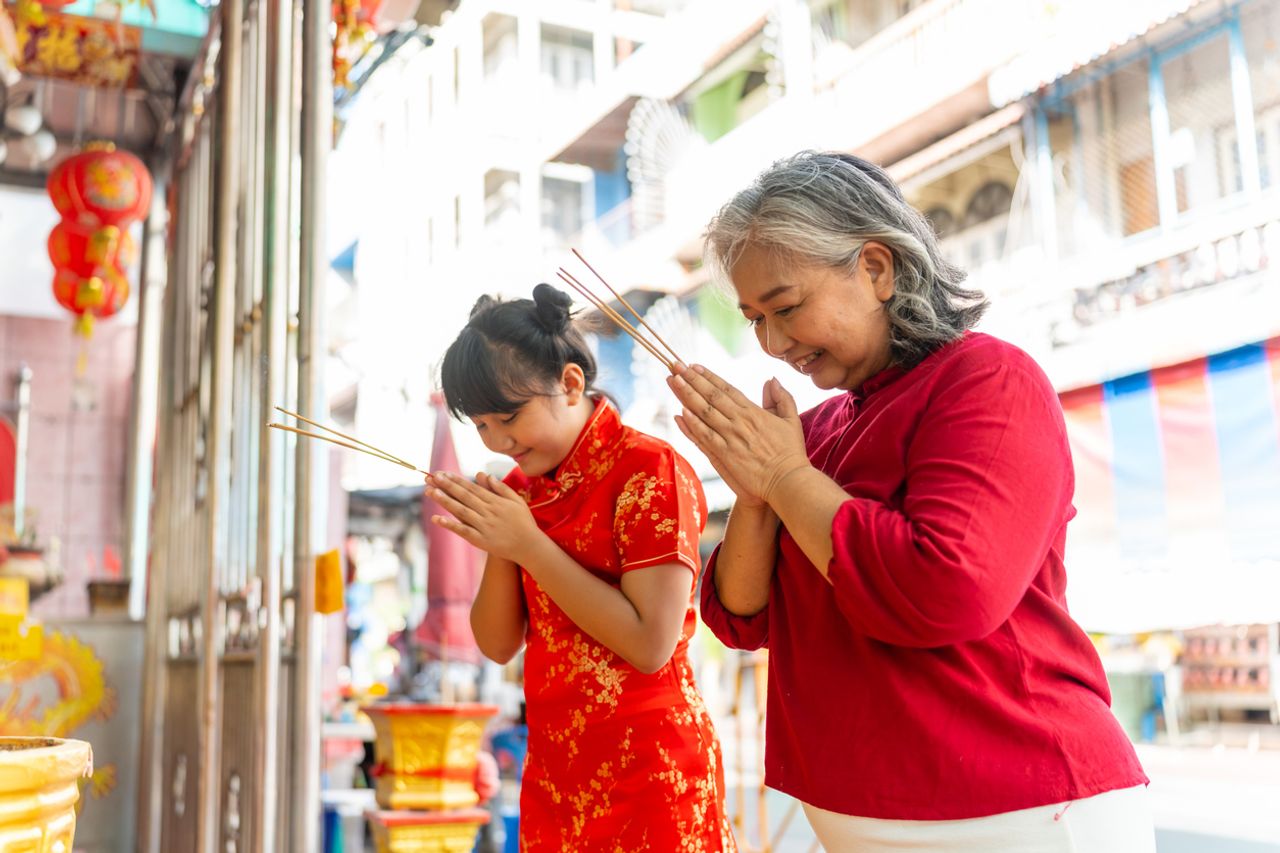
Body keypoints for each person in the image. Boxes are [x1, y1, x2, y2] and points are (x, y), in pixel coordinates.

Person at [667, 151, 1154, 852]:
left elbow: (947, 588)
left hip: (1023, 807)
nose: (773, 343)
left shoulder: (988, 379)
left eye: (786, 306)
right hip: (867, 812)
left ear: (876, 267)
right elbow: (740, 617)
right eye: (753, 320)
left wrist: (784, 478)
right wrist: (758, 492)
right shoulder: (813, 436)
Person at [427, 284, 736, 852]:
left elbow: (649, 644)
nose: (498, 438)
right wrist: (503, 538)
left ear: (570, 383)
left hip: (651, 769)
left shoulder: (649, 470)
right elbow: (496, 645)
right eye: (482, 426)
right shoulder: (521, 491)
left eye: (508, 416)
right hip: (557, 771)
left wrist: (529, 547)